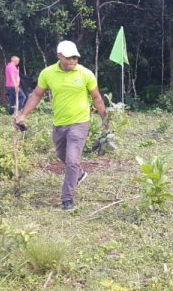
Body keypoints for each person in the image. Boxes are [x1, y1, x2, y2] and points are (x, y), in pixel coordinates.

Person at [14, 41, 107, 211]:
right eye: (69, 57)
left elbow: (97, 98)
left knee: (72, 160)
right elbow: (36, 95)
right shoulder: (48, 73)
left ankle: (67, 198)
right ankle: (79, 174)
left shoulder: (85, 74)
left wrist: (105, 119)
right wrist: (23, 115)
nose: (72, 61)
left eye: (75, 57)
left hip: (80, 122)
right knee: (61, 154)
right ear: (59, 56)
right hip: (59, 124)